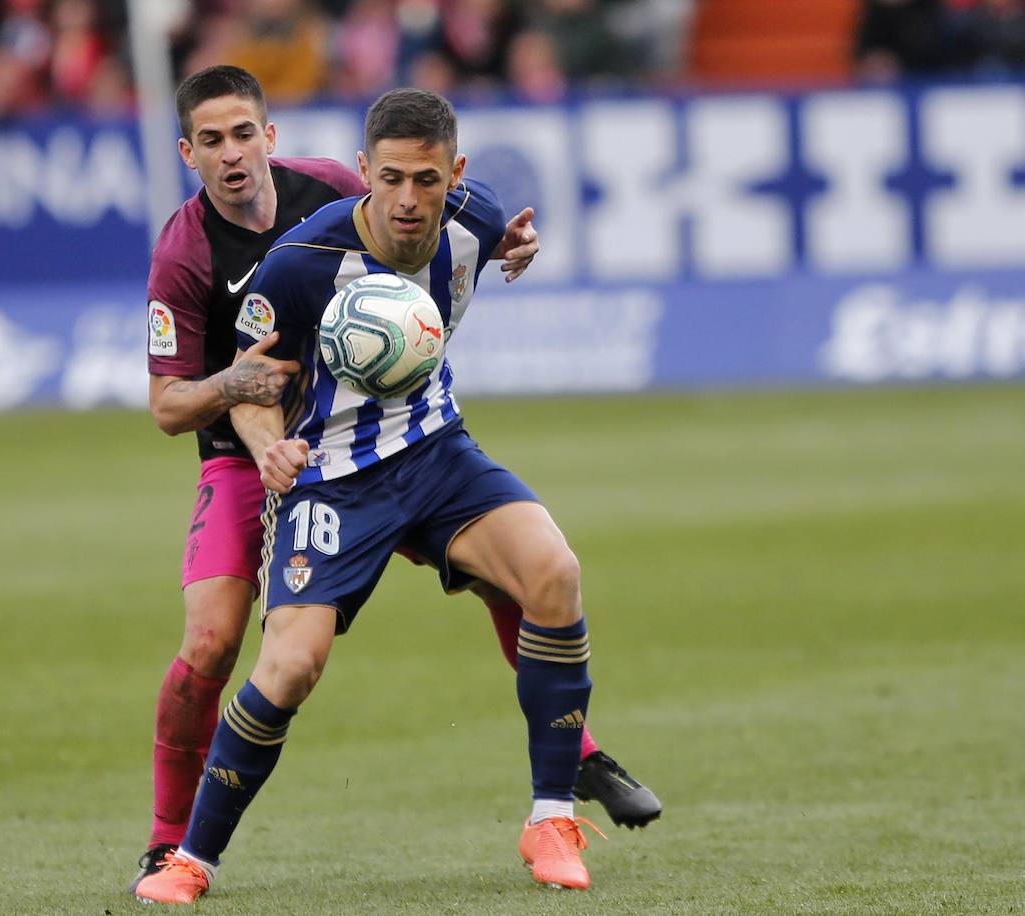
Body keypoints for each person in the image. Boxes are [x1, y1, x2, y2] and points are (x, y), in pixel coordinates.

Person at [136, 66, 660, 892]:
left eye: (426, 180)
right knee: (261, 656)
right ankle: (181, 853)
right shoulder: (254, 259)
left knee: (546, 574)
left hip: (433, 451)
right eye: (213, 140)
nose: (407, 199)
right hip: (304, 465)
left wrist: (515, 245)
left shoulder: (447, 210)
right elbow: (223, 391)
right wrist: (268, 441)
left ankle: (555, 808)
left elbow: (488, 228)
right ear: (189, 153)